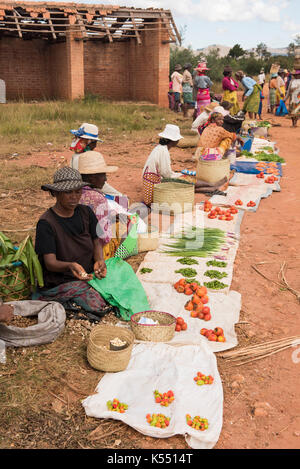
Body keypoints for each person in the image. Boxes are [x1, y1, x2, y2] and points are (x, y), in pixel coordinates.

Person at [33, 167, 109, 315]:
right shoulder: (46, 223)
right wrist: (70, 266)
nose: (74, 196)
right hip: (62, 279)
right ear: (55, 193)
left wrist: (99, 260)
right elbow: (50, 262)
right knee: (97, 304)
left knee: (123, 277)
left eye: (77, 191)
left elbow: (96, 240)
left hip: (88, 274)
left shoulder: (86, 212)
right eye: (68, 192)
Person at [77, 151, 128, 260]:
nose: (105, 179)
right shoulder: (98, 198)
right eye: (103, 175)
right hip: (96, 252)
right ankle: (115, 257)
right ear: (92, 178)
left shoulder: (74, 193)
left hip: (78, 245)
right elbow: (104, 237)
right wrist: (111, 221)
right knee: (125, 225)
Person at [69, 123, 125, 201]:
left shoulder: (75, 156)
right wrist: (119, 195)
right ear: (88, 142)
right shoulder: (85, 158)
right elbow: (101, 184)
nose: (95, 146)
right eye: (95, 142)